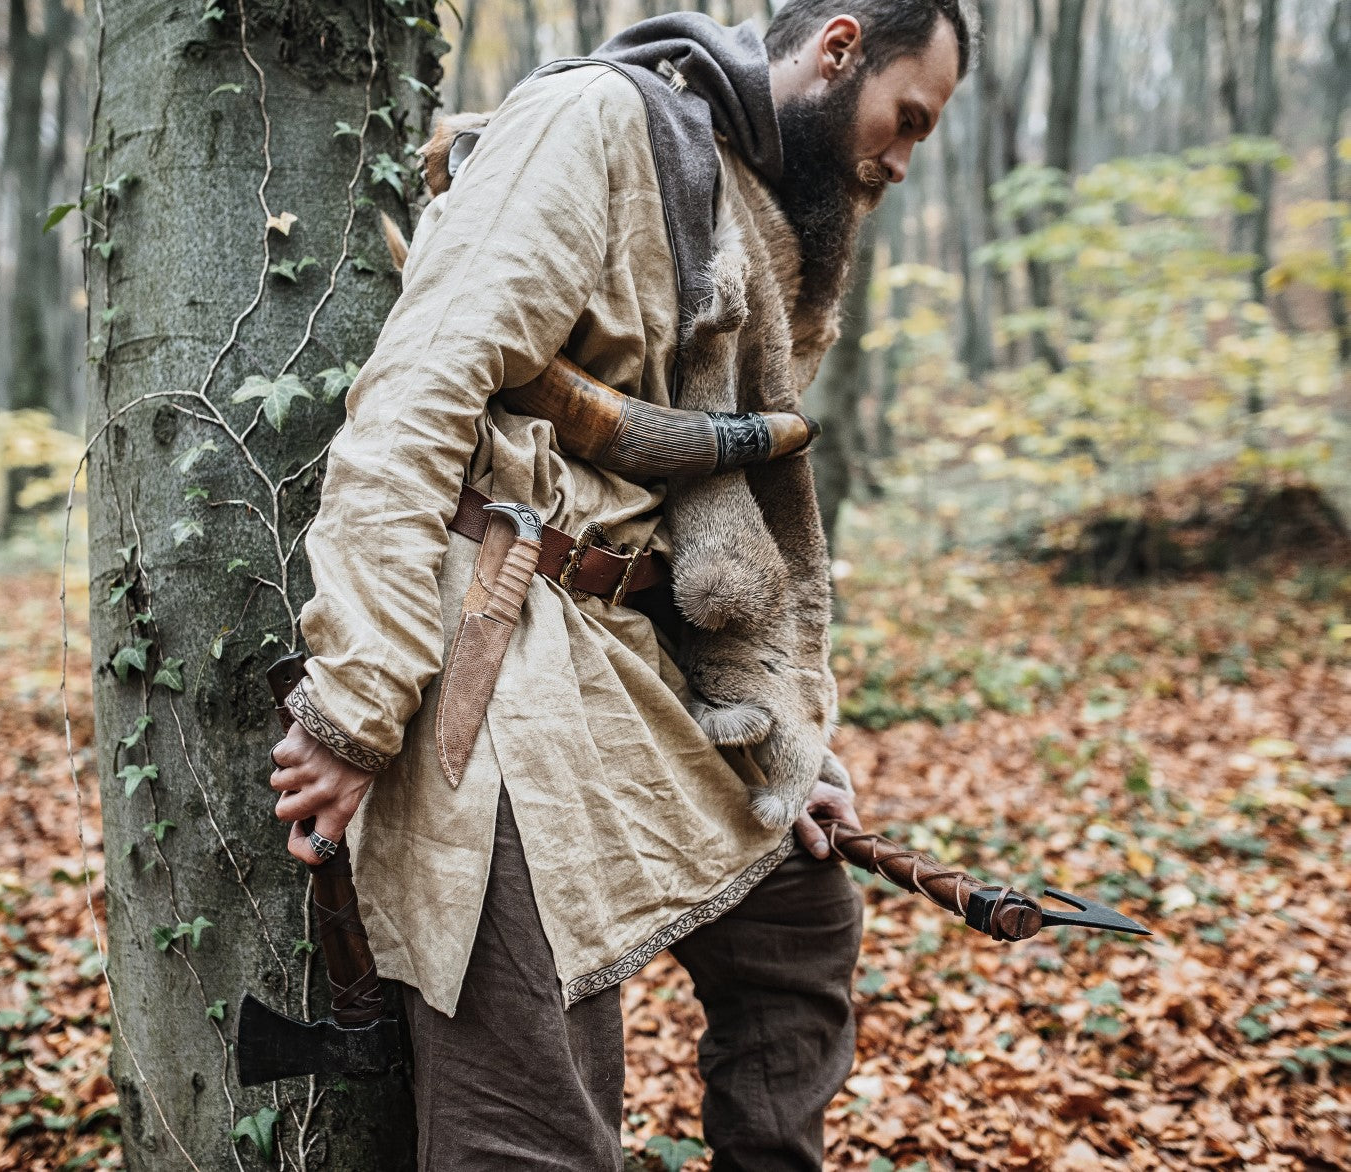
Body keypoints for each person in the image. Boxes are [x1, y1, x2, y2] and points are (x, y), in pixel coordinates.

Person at [267, 2, 974, 1167]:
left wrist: (786, 744)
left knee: (800, 918)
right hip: (496, 654)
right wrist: (356, 702)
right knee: (533, 1119)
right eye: (907, 119)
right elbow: (418, 391)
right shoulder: (590, 120)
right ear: (840, 48)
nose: (901, 160)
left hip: (631, 654)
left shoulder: (749, 207)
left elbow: (721, 521)